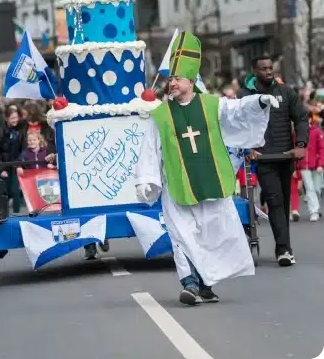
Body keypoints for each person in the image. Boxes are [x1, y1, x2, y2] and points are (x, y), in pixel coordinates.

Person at [135, 32, 277, 306]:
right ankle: (189, 283)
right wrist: (147, 178)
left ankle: (206, 283)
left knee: (212, 233)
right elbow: (150, 148)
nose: (172, 83)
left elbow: (235, 111)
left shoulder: (211, 104)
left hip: (211, 179)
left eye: (177, 79)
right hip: (176, 185)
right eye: (170, 79)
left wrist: (258, 102)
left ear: (191, 81)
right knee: (181, 234)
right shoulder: (160, 115)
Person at [237, 55, 308, 266]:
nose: (268, 71)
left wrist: (301, 145)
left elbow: (301, 118)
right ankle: (283, 250)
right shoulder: (246, 95)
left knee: (283, 204)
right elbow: (238, 123)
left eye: (270, 68)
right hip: (263, 158)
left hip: (286, 156)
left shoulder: (286, 92)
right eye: (263, 68)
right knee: (275, 201)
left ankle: (283, 244)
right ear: (255, 71)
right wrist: (247, 147)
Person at [0, 105, 25, 214]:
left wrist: (21, 164)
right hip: (4, 167)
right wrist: (1, 169)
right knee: (4, 193)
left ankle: (17, 214)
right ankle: (3, 214)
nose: (15, 120)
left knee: (16, 191)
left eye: (16, 117)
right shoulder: (0, 132)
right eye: (12, 118)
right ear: (6, 118)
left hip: (16, 165)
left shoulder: (20, 129)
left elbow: (22, 148)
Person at [297, 113, 324, 222]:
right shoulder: (298, 132)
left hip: (316, 165)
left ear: (309, 119)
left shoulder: (317, 131)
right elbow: (296, 149)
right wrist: (296, 166)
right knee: (309, 188)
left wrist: (321, 164)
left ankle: (316, 207)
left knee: (317, 188)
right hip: (304, 165)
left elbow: (322, 148)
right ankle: (314, 211)